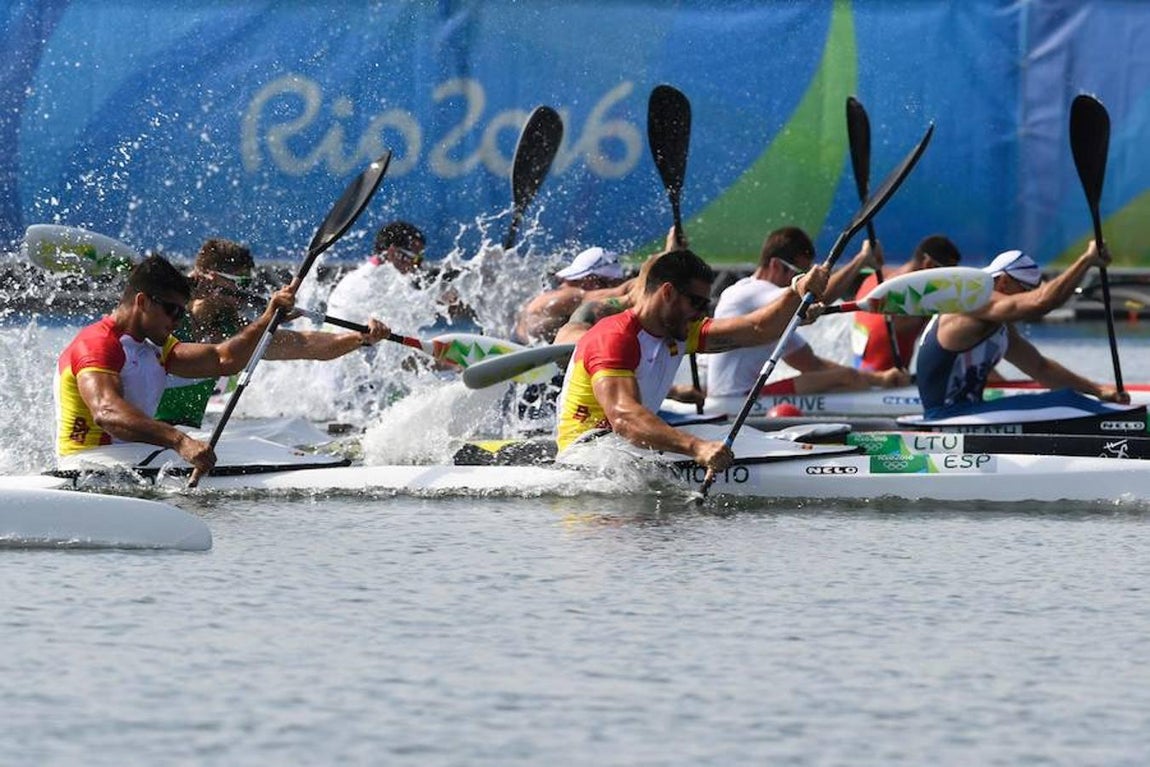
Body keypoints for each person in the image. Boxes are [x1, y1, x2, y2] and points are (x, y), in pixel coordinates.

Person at [554, 248, 828, 470]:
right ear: (667, 293)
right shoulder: (614, 337)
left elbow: (758, 328)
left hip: (628, 450)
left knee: (738, 436)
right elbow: (625, 419)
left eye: (705, 305)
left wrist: (796, 291)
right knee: (712, 439)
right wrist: (697, 448)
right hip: (589, 459)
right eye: (696, 303)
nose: (701, 313)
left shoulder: (680, 332)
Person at [54, 255, 299, 473]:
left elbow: (223, 359)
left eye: (182, 313)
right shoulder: (97, 344)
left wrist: (267, 319)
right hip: (89, 465)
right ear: (142, 302)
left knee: (246, 449)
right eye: (172, 311)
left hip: (133, 460)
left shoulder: (154, 346)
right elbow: (107, 413)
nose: (177, 321)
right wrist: (180, 441)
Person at [154, 238, 390, 427]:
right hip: (147, 435)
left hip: (183, 436)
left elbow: (303, 344)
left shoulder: (233, 328)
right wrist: (185, 287)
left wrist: (361, 339)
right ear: (211, 277)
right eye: (242, 284)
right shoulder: (165, 318)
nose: (245, 294)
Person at [703, 227, 909, 414]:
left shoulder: (773, 319)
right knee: (845, 377)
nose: (804, 283)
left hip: (741, 398)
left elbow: (812, 364)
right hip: (734, 400)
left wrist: (880, 379)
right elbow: (815, 296)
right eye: (799, 276)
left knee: (846, 377)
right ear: (775, 265)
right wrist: (861, 260)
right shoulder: (750, 292)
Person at [915, 243, 1128, 419]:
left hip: (968, 412)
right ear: (1004, 282)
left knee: (1066, 399)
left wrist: (1099, 391)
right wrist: (1086, 260)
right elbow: (1041, 302)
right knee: (1065, 404)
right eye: (1026, 291)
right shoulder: (973, 300)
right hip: (946, 417)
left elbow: (1041, 368)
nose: (1027, 297)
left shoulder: (997, 324)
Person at [326, 220, 474, 328]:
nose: (416, 266)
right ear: (393, 252)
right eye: (415, 258)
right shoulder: (365, 283)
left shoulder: (379, 278)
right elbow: (409, 313)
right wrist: (438, 302)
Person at [851, 234, 961, 371]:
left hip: (859, 372)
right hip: (888, 380)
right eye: (947, 277)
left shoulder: (876, 277)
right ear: (928, 264)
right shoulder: (915, 306)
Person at [511, 246, 631, 345]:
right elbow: (622, 293)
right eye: (612, 282)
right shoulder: (570, 296)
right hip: (520, 350)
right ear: (591, 280)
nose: (565, 282)